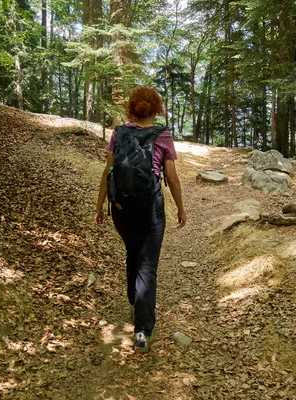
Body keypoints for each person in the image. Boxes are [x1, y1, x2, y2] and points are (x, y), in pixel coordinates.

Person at [94, 86, 186, 354]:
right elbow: (172, 178)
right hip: (150, 209)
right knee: (148, 265)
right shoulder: (163, 135)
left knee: (132, 250)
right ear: (156, 108)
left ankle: (134, 299)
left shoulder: (119, 133)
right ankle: (142, 330)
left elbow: (107, 172)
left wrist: (99, 206)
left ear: (132, 108)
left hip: (121, 208)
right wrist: (181, 208)